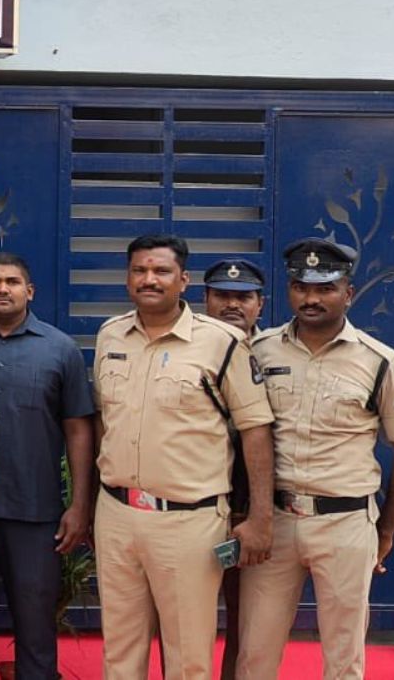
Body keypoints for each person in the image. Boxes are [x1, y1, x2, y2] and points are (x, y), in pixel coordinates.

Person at [237, 239, 394, 680]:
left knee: (344, 654)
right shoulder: (260, 351)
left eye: (325, 288)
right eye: (301, 287)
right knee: (254, 652)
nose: (311, 298)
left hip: (345, 522)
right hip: (273, 523)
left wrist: (386, 529)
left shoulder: (381, 363)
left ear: (349, 293)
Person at [93, 234, 274, 680]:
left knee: (188, 655)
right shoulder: (110, 334)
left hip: (187, 521)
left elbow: (255, 430)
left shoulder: (222, 342)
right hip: (116, 514)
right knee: (119, 648)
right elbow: (103, 418)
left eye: (161, 271)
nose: (149, 280)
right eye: (139, 271)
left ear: (184, 280)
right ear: (128, 278)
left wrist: (262, 517)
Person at [0, 253, 94, 680]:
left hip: (35, 514)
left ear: (30, 291)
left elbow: (79, 430)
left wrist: (79, 505)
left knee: (35, 628)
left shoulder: (59, 349)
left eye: (12, 281)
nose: (2, 289)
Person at [201, 256, 267, 680]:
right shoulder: (188, 345)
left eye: (243, 297)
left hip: (253, 512)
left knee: (248, 625)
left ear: (260, 304)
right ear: (204, 299)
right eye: (222, 296)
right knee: (188, 622)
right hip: (196, 508)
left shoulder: (278, 351)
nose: (232, 305)